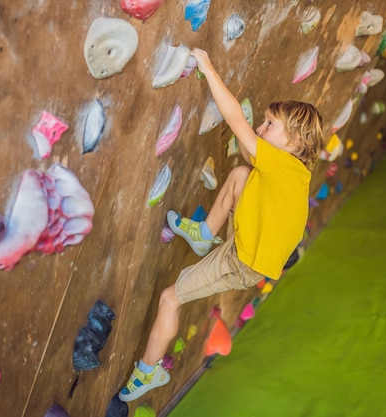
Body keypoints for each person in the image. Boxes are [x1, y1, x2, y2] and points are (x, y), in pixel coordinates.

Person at [118, 48, 325, 402]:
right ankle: (204, 234)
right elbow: (248, 154)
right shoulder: (293, 171)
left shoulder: (281, 165)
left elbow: (236, 122)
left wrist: (208, 67)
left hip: (242, 261)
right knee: (242, 174)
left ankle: (148, 372)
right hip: (252, 244)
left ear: (292, 142)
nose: (261, 129)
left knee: (171, 297)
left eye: (270, 125)